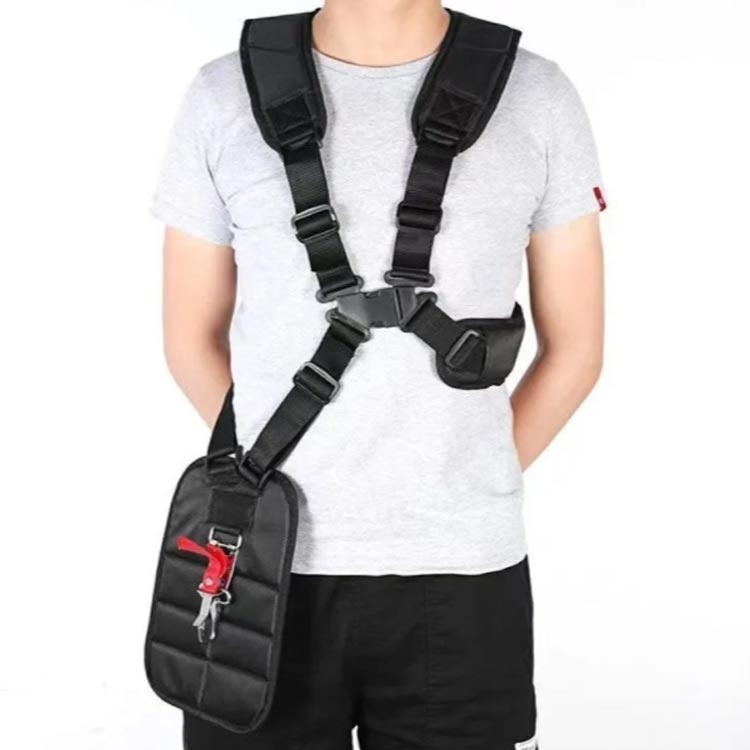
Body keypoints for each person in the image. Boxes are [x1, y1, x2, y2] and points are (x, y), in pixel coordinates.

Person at [151, 1, 605, 748]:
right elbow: (188, 340)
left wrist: (462, 475)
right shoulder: (221, 95)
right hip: (261, 564)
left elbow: (578, 350)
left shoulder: (538, 96)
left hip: (462, 573)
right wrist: (267, 482)